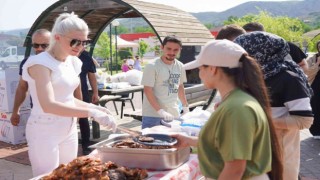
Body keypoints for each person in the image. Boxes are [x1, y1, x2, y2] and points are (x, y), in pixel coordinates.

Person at [22, 12, 116, 177]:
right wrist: (90, 112)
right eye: (74, 41)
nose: (79, 46)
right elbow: (48, 104)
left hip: (69, 128)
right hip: (44, 129)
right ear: (57, 37)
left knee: (70, 174)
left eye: (84, 42)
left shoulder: (73, 62)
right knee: (47, 176)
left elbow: (67, 98)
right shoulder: (39, 63)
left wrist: (95, 108)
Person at [176, 39, 283, 179]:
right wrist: (188, 140)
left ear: (213, 69)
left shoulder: (237, 108)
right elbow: (227, 144)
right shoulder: (238, 101)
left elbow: (234, 169)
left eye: (201, 68)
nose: (199, 73)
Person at [235, 31, 313, 180]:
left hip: (279, 157)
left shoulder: (288, 78)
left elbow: (304, 120)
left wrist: (262, 123)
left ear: (260, 52)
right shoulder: (250, 76)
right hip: (253, 152)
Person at [141, 35, 188, 129]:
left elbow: (180, 86)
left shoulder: (180, 66)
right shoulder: (152, 66)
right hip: (153, 116)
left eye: (176, 50)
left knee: (174, 143)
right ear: (162, 47)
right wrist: (160, 111)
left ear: (180, 50)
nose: (172, 52)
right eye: (169, 48)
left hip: (174, 114)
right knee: (150, 143)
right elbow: (147, 90)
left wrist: (185, 107)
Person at [10, 29, 51, 126]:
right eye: (36, 45)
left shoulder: (63, 61)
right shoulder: (27, 63)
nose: (40, 48)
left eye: (44, 45)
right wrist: (16, 111)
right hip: (38, 115)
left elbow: (75, 89)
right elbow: (22, 87)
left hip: (62, 115)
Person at [243, 22, 309, 71]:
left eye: (251, 37)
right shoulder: (244, 51)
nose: (247, 41)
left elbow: (303, 65)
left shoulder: (286, 46)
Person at [77, 50, 100, 155]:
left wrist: (95, 92)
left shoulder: (86, 56)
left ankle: (86, 146)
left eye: (83, 42)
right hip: (66, 94)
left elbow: (92, 76)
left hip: (83, 92)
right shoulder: (64, 54)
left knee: (83, 119)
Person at [308, 40, 320, 138]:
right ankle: (316, 130)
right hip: (316, 86)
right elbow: (307, 72)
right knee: (315, 107)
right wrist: (317, 64)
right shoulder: (313, 58)